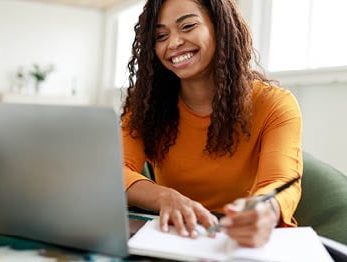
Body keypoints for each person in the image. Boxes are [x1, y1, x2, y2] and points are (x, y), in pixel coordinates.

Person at [121, 0, 302, 247]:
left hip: (241, 243)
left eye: (187, 26)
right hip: (173, 238)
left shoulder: (275, 104)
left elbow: (281, 182)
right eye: (161, 36)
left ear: (220, 27)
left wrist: (265, 211)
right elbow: (114, 172)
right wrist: (164, 197)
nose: (173, 43)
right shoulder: (145, 106)